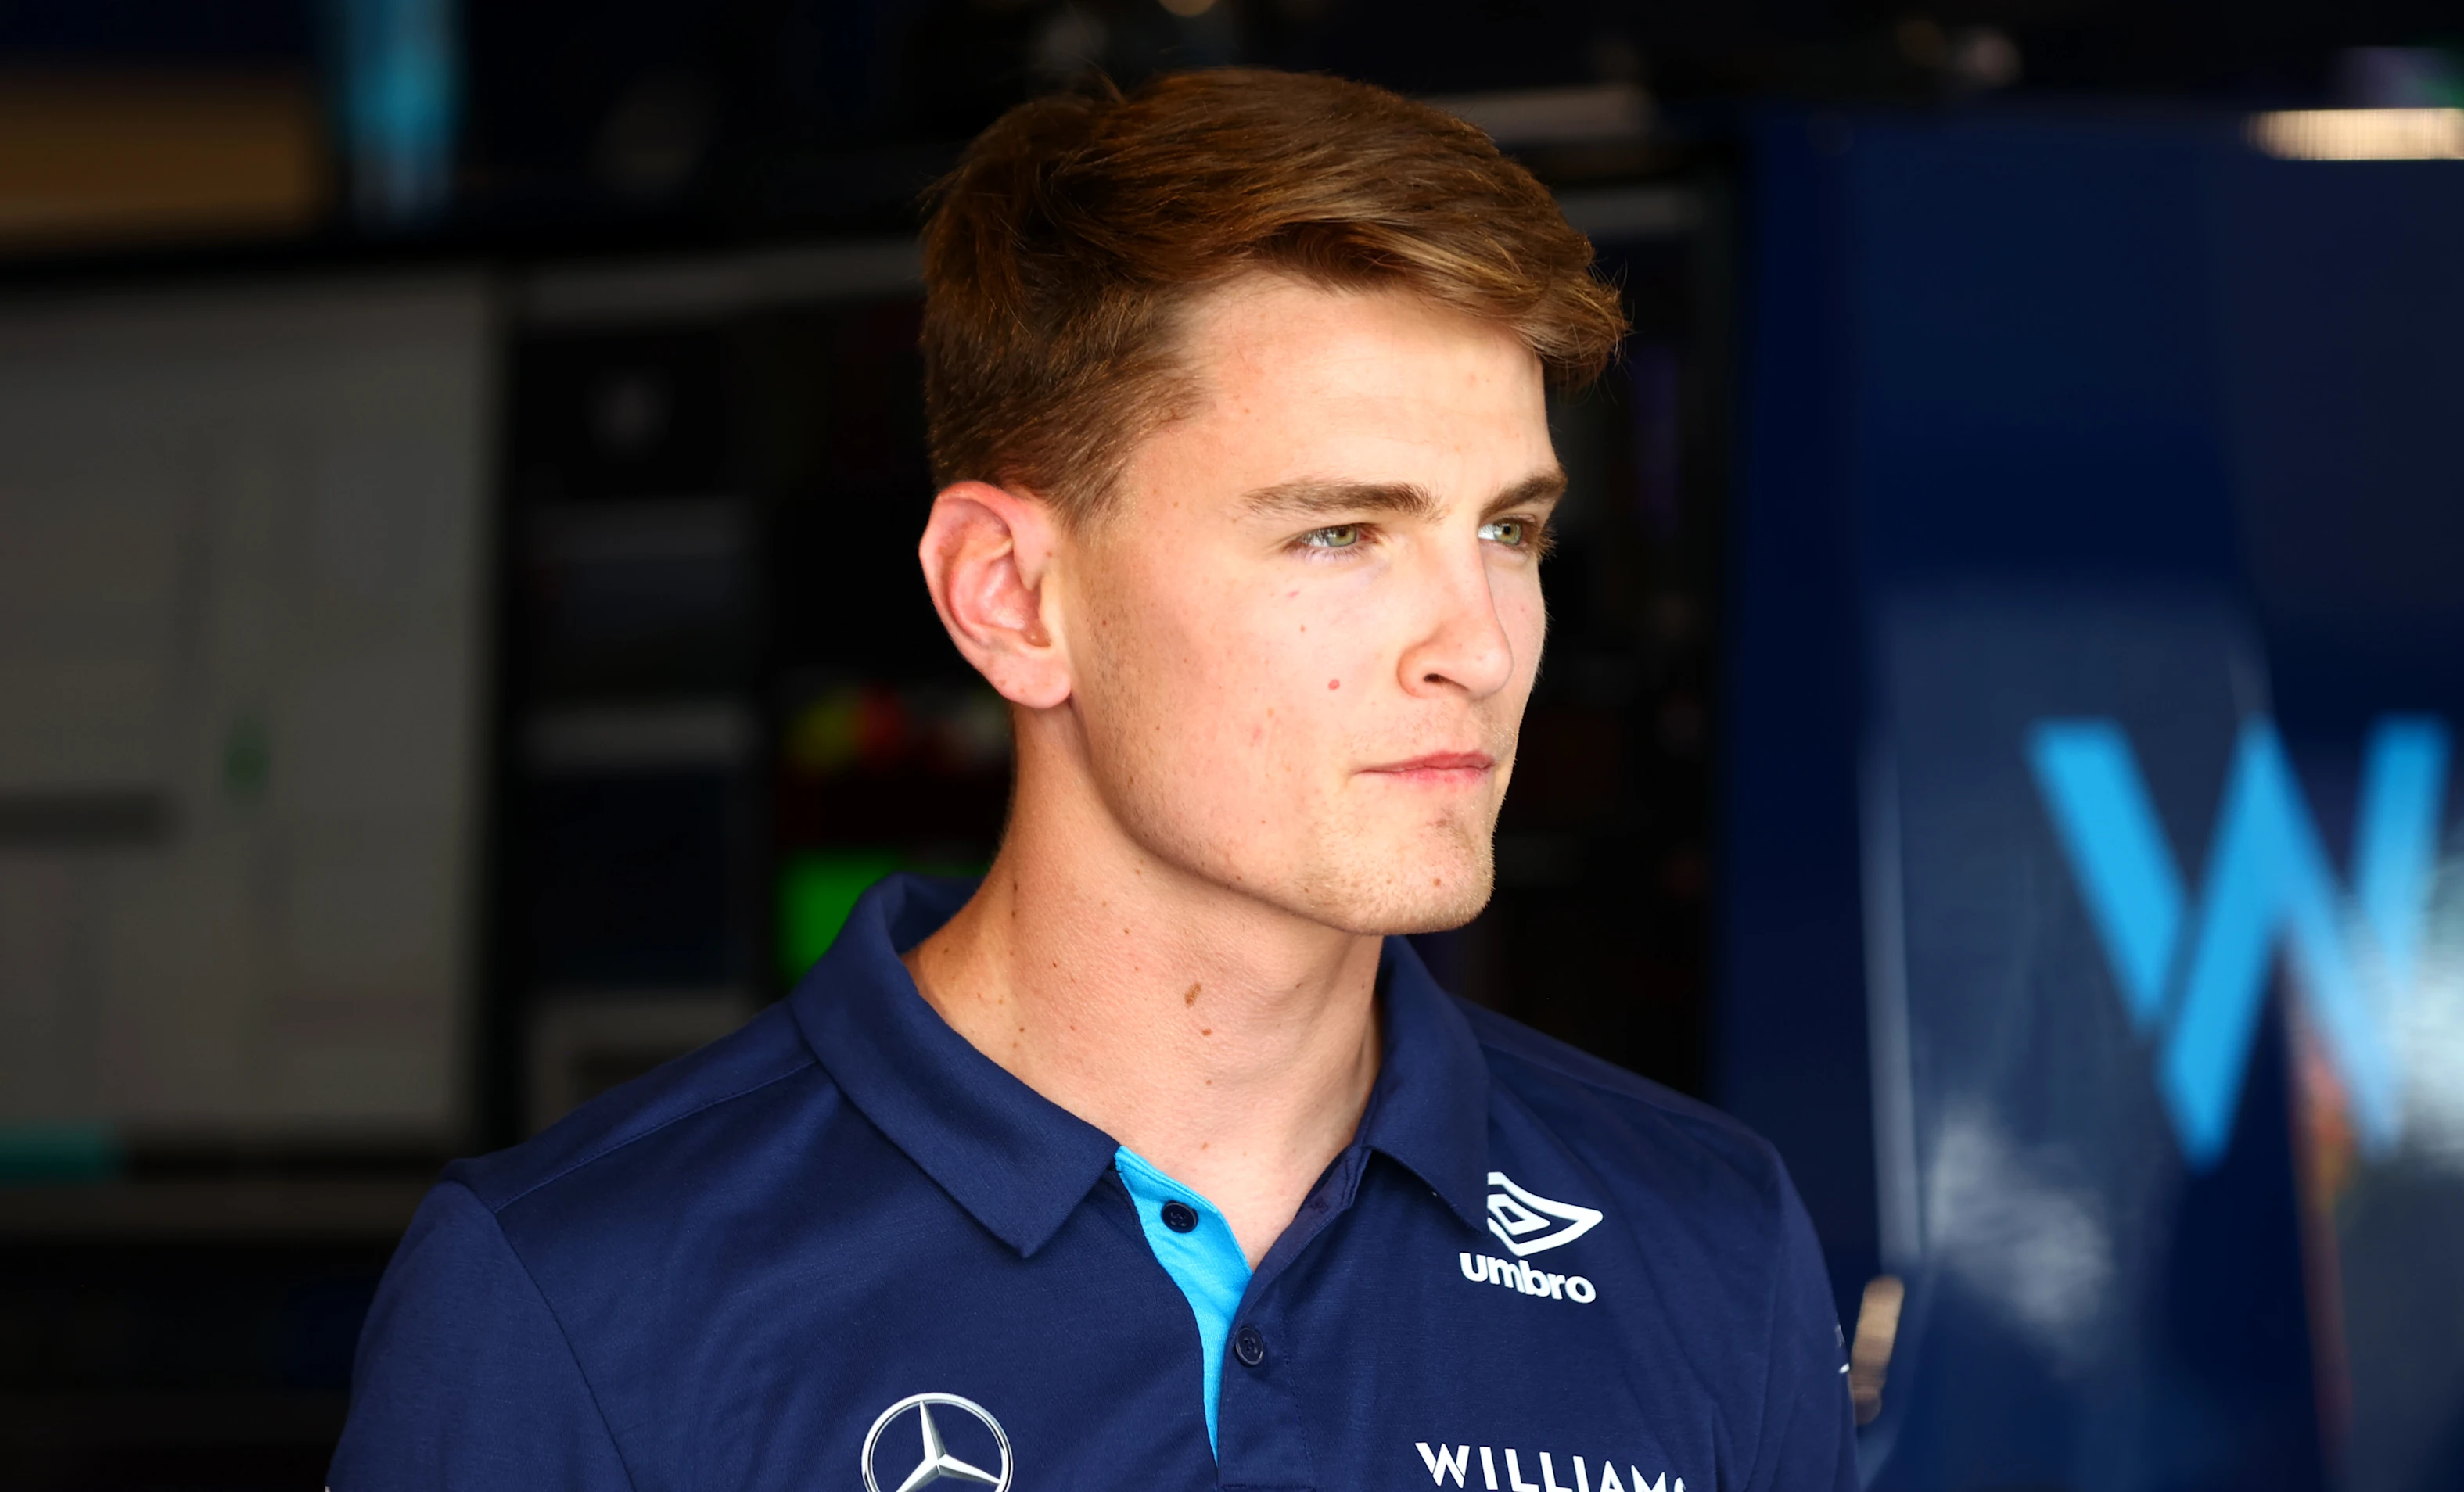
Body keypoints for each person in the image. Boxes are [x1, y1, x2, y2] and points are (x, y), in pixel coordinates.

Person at [330, 68, 1854, 1492]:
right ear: (1007, 595)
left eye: (1509, 530)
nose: (1478, 645)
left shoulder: (1703, 1239)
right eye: (1340, 532)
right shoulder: (575, 1289)